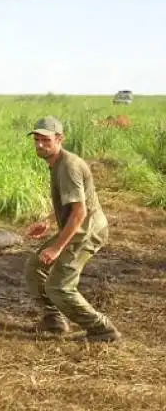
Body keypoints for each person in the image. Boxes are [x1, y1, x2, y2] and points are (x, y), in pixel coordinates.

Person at [23, 115, 121, 343]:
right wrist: (48, 221)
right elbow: (75, 203)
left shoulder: (68, 166)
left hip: (87, 230)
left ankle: (102, 329)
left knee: (58, 285)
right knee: (35, 266)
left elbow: (80, 212)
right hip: (78, 225)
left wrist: (57, 248)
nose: (39, 144)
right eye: (36, 139)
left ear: (59, 139)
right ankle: (53, 320)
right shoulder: (57, 163)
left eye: (45, 140)